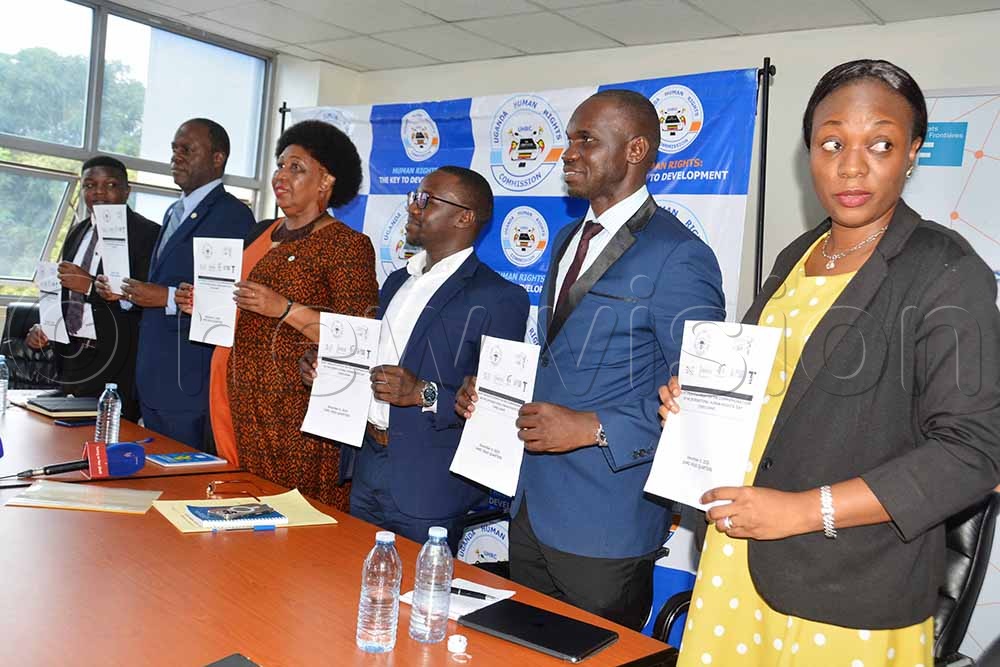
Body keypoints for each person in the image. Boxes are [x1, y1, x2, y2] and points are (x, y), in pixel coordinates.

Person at [659, 60, 1000, 666]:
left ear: (914, 152)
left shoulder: (947, 269)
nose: (851, 165)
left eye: (881, 144)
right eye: (832, 142)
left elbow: (974, 452)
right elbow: (788, 391)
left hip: (849, 586)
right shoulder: (800, 252)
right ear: (809, 150)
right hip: (741, 558)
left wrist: (800, 511)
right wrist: (704, 403)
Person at [455, 90, 725, 629]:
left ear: (635, 149)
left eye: (586, 140)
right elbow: (560, 357)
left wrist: (594, 428)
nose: (568, 153)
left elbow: (704, 393)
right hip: (532, 508)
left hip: (607, 522)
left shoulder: (679, 254)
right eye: (569, 138)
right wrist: (492, 392)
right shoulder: (564, 239)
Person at [300, 166, 529, 551]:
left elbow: (496, 407)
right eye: (413, 197)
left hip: (430, 482)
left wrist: (422, 393)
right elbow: (374, 361)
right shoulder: (395, 282)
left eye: (425, 200)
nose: (413, 208)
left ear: (465, 217)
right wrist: (328, 367)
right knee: (356, 587)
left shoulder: (499, 297)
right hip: (368, 461)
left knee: (416, 603)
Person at [177, 120, 378, 510]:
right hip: (234, 399)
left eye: (297, 168)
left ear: (326, 182)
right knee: (236, 510)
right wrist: (205, 303)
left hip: (295, 419)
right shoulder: (260, 233)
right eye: (280, 165)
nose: (281, 176)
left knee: (289, 525)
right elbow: (242, 305)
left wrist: (283, 308)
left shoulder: (347, 246)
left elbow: (357, 337)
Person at [97, 119, 254, 448]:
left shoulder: (232, 215)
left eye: (187, 149)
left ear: (217, 158)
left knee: (182, 486)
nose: (176, 156)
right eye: (174, 149)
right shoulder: (173, 211)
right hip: (153, 376)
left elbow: (225, 300)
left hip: (189, 381)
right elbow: (159, 285)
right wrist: (127, 294)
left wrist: (166, 298)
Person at [26, 156, 159, 420]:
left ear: (126, 191)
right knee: (64, 444)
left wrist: (90, 285)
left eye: (109, 185)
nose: (98, 192)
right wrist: (48, 328)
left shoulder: (148, 234)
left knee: (108, 448)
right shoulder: (78, 231)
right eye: (89, 185)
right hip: (72, 359)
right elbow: (66, 293)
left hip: (117, 364)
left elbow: (144, 300)